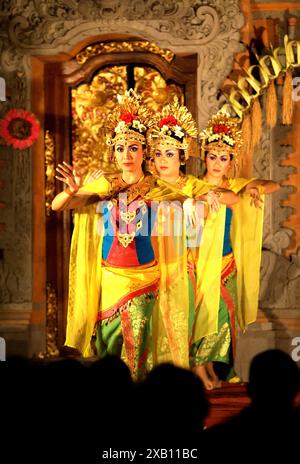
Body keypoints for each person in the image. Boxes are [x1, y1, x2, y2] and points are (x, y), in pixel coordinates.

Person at [52, 90, 192, 380]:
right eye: (120, 148)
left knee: (135, 347)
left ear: (143, 152)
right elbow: (58, 206)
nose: (126, 155)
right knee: (108, 347)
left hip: (143, 278)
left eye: (133, 148)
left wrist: (178, 203)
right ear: (113, 153)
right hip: (108, 279)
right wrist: (70, 190)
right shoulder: (104, 185)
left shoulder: (156, 186)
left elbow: (181, 201)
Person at [146, 99, 240, 379]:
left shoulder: (192, 184)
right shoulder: (147, 183)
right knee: (155, 322)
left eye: (170, 153)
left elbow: (228, 198)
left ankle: (182, 377)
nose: (163, 159)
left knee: (181, 321)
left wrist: (203, 197)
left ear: (182, 156)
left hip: (181, 263)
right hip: (150, 265)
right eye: (159, 153)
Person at [191, 111, 280, 389]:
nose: (218, 163)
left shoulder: (234, 186)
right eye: (213, 156)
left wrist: (254, 186)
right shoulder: (193, 186)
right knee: (200, 316)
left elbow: (273, 185)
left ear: (231, 162)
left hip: (226, 261)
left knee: (222, 318)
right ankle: (198, 368)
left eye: (224, 157)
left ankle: (210, 368)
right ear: (204, 157)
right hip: (198, 261)